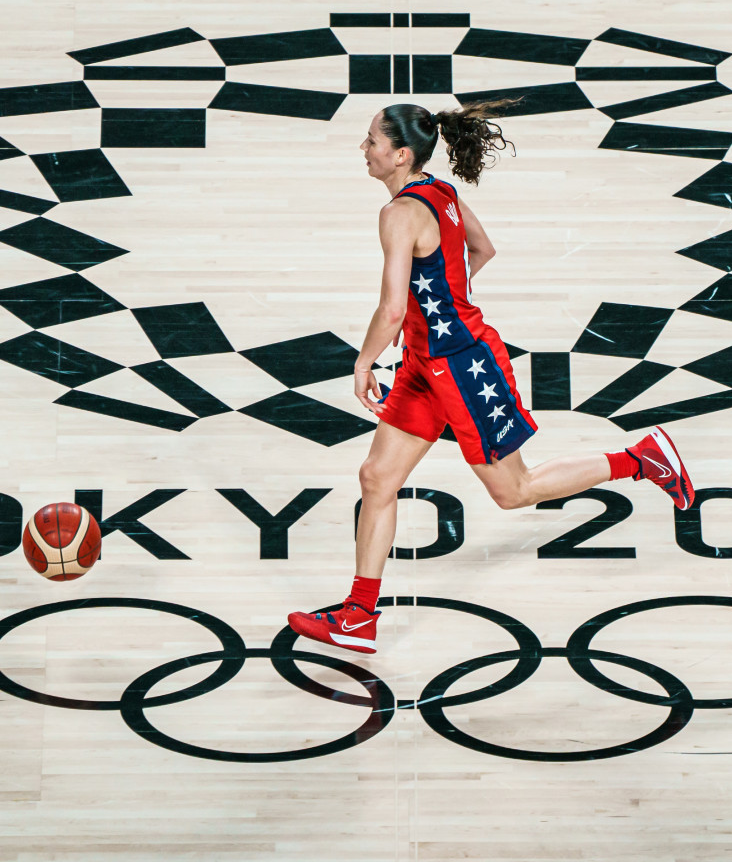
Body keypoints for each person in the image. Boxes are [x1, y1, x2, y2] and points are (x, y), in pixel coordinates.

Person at [286, 102, 695, 654]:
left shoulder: (399, 214)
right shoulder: (440, 192)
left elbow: (388, 309)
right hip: (425, 364)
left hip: (461, 367)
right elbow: (482, 249)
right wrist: (444, 306)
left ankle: (639, 459)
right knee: (377, 478)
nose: (364, 149)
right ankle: (359, 614)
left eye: (371, 142)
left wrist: (363, 363)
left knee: (513, 491)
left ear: (400, 154)